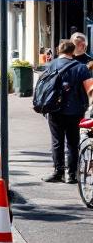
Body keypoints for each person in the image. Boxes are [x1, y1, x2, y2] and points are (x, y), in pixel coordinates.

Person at [39, 39, 93, 184]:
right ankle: (72, 175)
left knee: (57, 141)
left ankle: (58, 172)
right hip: (75, 111)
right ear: (73, 51)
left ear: (59, 51)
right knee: (73, 142)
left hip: (54, 109)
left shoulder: (51, 65)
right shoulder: (81, 68)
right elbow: (90, 89)